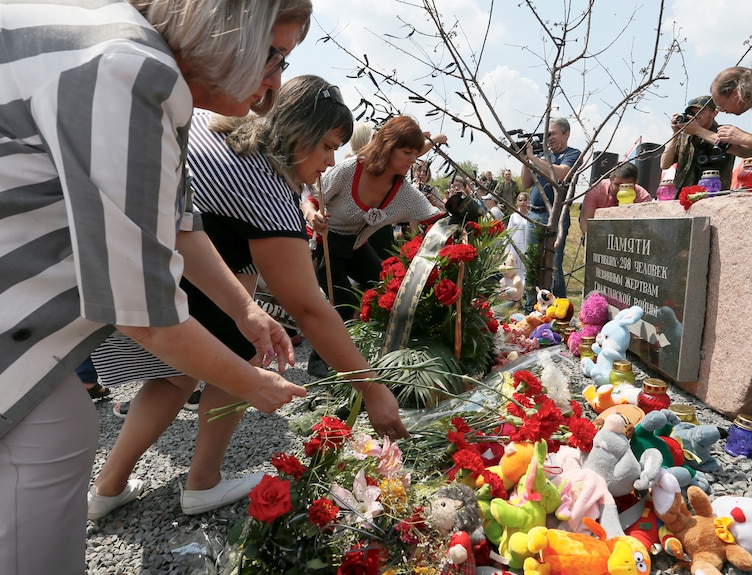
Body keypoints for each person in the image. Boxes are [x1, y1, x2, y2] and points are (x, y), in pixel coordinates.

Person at [0, 1, 310, 573]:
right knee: (52, 441)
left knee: (64, 429)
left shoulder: (148, 69)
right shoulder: (133, 69)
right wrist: (251, 383)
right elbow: (142, 309)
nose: (275, 81)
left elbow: (177, 223)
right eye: (275, 55)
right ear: (228, 29)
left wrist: (247, 312)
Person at [91, 76, 411, 521]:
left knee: (173, 377)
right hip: (183, 279)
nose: (331, 160)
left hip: (142, 273)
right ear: (298, 132)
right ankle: (202, 481)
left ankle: (108, 487)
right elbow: (308, 307)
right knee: (240, 358)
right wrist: (371, 389)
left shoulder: (213, 126)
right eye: (327, 145)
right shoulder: (266, 184)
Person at [301, 116, 445, 374]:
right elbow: (310, 198)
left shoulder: (403, 192)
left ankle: (375, 353)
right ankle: (320, 364)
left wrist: (463, 218)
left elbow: (435, 217)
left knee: (386, 287)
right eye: (407, 152)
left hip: (356, 247)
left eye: (416, 153)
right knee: (343, 304)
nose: (414, 159)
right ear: (388, 147)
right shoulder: (350, 170)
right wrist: (314, 215)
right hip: (326, 244)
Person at [520, 118, 581, 299]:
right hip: (533, 214)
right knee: (532, 263)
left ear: (566, 134)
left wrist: (533, 158)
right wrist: (525, 158)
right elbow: (525, 183)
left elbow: (562, 173)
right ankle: (531, 307)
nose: (549, 138)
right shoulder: (541, 156)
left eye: (553, 133)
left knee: (553, 265)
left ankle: (560, 311)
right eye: (547, 134)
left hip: (555, 216)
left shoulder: (573, 153)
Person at [660, 95, 736, 195]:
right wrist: (675, 134)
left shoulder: (724, 131)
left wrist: (698, 130)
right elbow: (664, 164)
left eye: (700, 112)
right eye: (692, 113)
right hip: (683, 197)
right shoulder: (684, 136)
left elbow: (727, 143)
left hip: (712, 196)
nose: (695, 116)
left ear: (714, 113)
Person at [579, 162, 652, 236]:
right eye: (617, 185)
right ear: (610, 179)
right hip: (600, 233)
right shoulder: (596, 190)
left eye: (626, 186)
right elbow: (585, 220)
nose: (621, 190)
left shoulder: (643, 197)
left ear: (635, 183)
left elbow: (646, 226)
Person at [506, 192, 531, 281]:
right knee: (514, 267)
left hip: (526, 245)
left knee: (524, 268)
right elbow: (508, 233)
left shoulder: (531, 216)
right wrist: (507, 249)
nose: (522, 203)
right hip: (514, 245)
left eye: (524, 200)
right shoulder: (513, 216)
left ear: (528, 201)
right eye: (520, 200)